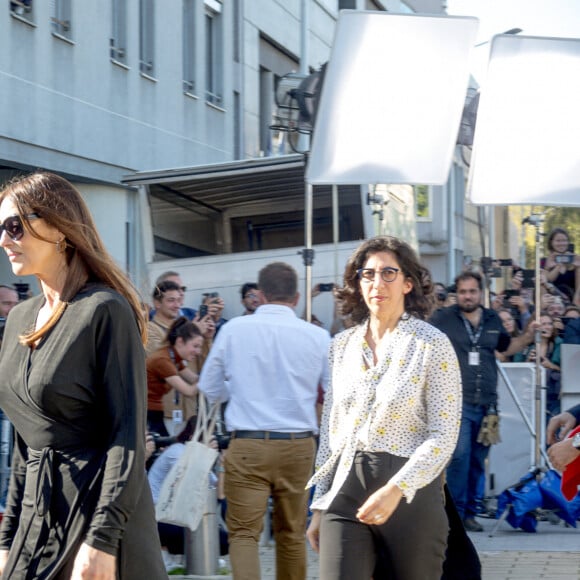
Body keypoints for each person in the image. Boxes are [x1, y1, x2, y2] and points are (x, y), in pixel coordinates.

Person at [0, 172, 165, 578]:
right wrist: (8, 539)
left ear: (59, 227)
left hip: (98, 518)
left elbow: (126, 436)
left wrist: (102, 541)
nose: (4, 240)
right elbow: (28, 444)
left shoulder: (103, 310)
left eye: (14, 226)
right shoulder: (19, 317)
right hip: (38, 521)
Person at [306, 236, 462, 580]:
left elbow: (443, 434)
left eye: (388, 273)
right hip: (345, 490)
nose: (377, 283)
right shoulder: (341, 346)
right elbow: (332, 434)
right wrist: (319, 506)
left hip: (411, 494)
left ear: (408, 283)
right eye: (368, 274)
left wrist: (397, 489)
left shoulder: (431, 344)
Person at [199, 261, 330, 580]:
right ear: (297, 297)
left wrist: (241, 390)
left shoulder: (233, 330)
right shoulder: (318, 335)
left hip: (247, 443)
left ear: (259, 294)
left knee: (243, 534)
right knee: (292, 534)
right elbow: (334, 393)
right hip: (298, 445)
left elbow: (209, 387)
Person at [430, 271, 537, 532]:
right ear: (458, 294)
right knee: (459, 456)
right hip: (456, 401)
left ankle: (469, 514)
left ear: (481, 293)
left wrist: (528, 335)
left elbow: (505, 348)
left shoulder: (491, 318)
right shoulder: (444, 318)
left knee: (479, 461)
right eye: (463, 292)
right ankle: (453, 514)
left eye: (472, 291)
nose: (468, 296)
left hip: (488, 403)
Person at [146, 317, 203, 436]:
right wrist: (208, 378)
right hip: (147, 413)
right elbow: (189, 390)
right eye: (195, 346)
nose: (198, 352)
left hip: (154, 411)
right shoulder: (163, 360)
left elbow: (193, 379)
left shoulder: (174, 358)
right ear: (180, 341)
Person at [543, 227, 579, 305]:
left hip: (572, 301)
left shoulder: (575, 258)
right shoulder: (544, 261)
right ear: (551, 242)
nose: (562, 243)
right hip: (551, 302)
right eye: (558, 241)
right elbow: (547, 281)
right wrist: (558, 265)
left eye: (564, 240)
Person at [146, 280, 182, 355]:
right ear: (157, 303)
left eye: (178, 300)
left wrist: (206, 338)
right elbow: (163, 358)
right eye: (171, 300)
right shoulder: (149, 330)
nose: (177, 305)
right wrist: (190, 337)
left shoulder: (182, 327)